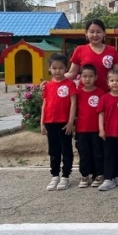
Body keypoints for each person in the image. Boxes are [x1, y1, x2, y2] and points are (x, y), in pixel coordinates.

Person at [42, 53, 77, 191]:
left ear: (66, 68)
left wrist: (70, 122)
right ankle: (55, 175)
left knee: (66, 150)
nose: (57, 71)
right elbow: (45, 104)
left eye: (61, 68)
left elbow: (73, 104)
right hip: (50, 122)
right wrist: (42, 122)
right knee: (53, 150)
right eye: (54, 68)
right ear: (49, 68)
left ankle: (65, 176)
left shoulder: (70, 84)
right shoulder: (48, 85)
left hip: (64, 123)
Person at [65, 19, 118, 91]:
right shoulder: (80, 49)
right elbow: (72, 73)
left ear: (104, 33)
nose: (95, 35)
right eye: (92, 32)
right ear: (86, 33)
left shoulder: (112, 50)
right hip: (84, 94)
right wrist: (56, 79)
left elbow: (117, 75)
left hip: (106, 94)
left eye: (98, 32)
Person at [74, 64, 105, 188]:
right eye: (85, 76)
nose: (87, 79)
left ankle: (99, 174)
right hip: (81, 129)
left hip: (96, 129)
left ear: (96, 77)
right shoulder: (77, 93)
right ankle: (84, 175)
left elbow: (102, 112)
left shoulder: (100, 92)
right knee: (84, 153)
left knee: (98, 152)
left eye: (90, 76)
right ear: (80, 77)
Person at [97, 69, 118, 191]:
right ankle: (108, 178)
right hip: (108, 132)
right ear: (108, 82)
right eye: (112, 80)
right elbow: (101, 114)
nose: (115, 83)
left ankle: (117, 175)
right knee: (108, 155)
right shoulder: (104, 98)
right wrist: (101, 129)